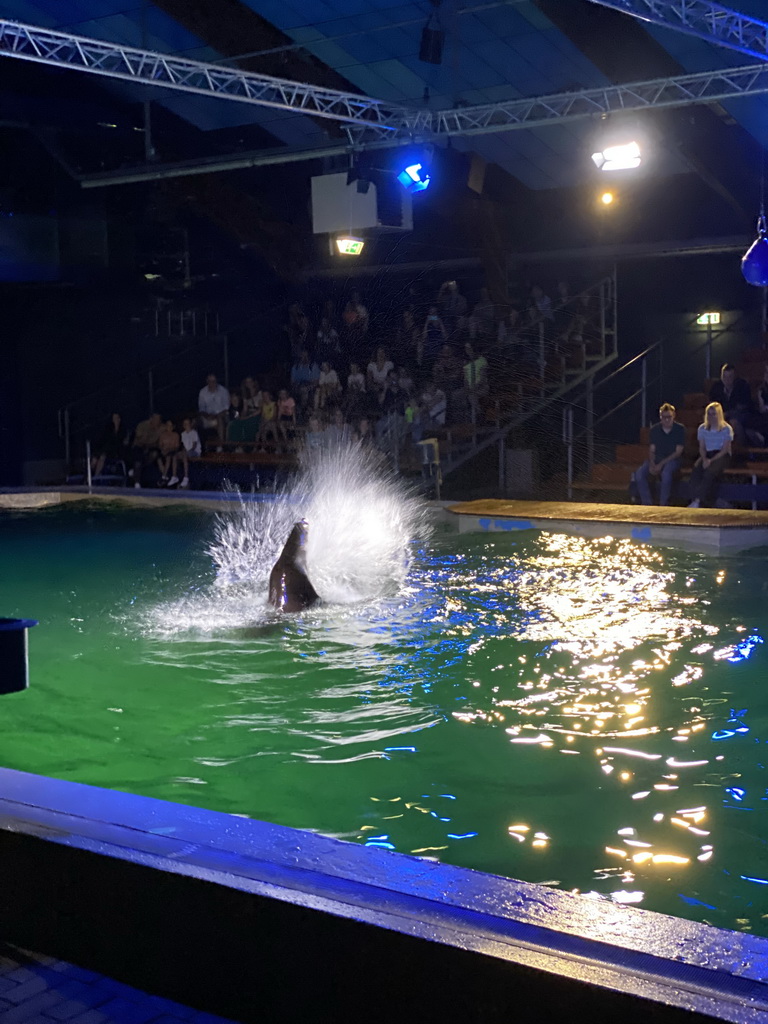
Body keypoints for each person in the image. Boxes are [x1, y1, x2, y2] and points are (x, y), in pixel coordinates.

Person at [634, 403, 686, 506]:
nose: (666, 420)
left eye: (669, 417)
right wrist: (653, 463)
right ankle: (647, 503)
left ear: (674, 416)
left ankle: (663, 504)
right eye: (664, 417)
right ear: (660, 417)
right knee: (639, 473)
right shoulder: (654, 429)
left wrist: (661, 464)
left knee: (666, 473)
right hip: (657, 459)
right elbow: (652, 450)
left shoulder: (680, 429)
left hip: (672, 459)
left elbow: (678, 452)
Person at [688, 401, 733, 508]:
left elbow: (725, 449)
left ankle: (699, 500)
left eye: (714, 414)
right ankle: (694, 499)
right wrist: (704, 459)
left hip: (721, 455)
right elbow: (702, 447)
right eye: (709, 414)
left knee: (709, 472)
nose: (711, 416)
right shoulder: (702, 429)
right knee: (696, 471)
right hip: (707, 453)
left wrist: (710, 461)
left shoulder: (726, 429)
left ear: (719, 415)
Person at [709, 363, 751, 445]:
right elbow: (712, 405)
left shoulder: (742, 386)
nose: (727, 380)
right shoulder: (716, 388)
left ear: (734, 377)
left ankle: (740, 449)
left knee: (734, 422)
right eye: (724, 376)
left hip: (740, 415)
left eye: (730, 377)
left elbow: (742, 406)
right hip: (720, 415)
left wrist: (727, 414)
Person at [91, 412, 129, 479]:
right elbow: (104, 440)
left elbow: (122, 442)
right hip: (106, 449)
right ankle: (88, 476)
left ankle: (96, 477)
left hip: (116, 451)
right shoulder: (109, 428)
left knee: (102, 457)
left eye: (116, 418)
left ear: (119, 419)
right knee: (94, 459)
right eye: (113, 418)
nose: (114, 420)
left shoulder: (123, 430)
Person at [130, 412, 163, 488]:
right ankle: (137, 483)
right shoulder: (142, 425)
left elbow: (156, 443)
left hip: (149, 448)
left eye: (159, 419)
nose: (157, 421)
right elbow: (140, 440)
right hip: (138, 447)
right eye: (156, 419)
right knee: (138, 460)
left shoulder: (160, 428)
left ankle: (136, 471)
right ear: (151, 418)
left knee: (155, 454)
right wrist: (149, 441)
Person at [198, 373, 230, 444]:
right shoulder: (202, 392)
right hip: (208, 416)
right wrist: (207, 416)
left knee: (219, 421)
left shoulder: (223, 391)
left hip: (221, 415)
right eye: (210, 381)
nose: (212, 383)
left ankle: (221, 444)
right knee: (197, 421)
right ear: (207, 381)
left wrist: (216, 416)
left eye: (214, 381)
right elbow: (201, 408)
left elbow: (226, 407)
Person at [169, 417, 200, 489]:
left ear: (190, 424)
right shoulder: (183, 434)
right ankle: (174, 476)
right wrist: (183, 452)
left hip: (195, 452)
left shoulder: (194, 433)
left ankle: (186, 477)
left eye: (187, 424)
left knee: (184, 455)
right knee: (175, 456)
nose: (185, 425)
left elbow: (194, 446)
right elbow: (184, 446)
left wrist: (186, 452)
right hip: (186, 452)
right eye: (184, 424)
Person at [156, 420, 181, 486]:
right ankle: (165, 474)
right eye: (167, 425)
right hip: (164, 452)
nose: (169, 427)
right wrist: (163, 449)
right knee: (158, 457)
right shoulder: (162, 435)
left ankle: (163, 476)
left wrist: (169, 449)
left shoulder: (176, 435)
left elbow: (176, 447)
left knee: (169, 457)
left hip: (172, 452)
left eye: (170, 426)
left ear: (173, 427)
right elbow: (160, 445)